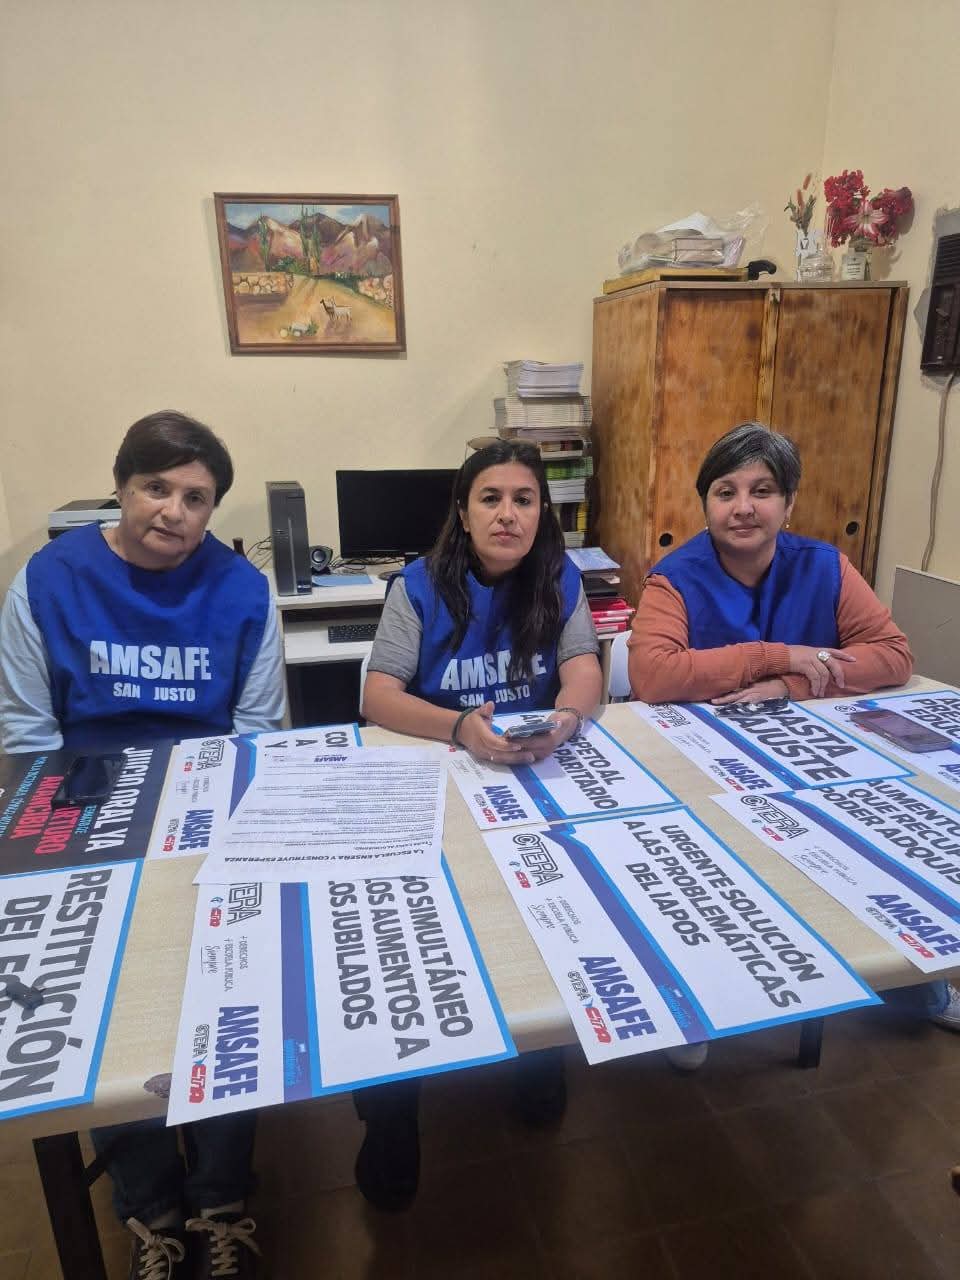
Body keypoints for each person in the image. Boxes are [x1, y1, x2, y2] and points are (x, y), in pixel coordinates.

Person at [0, 411, 284, 1279]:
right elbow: (26, 733)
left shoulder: (242, 590)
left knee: (228, 1002)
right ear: (121, 487)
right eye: (156, 488)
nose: (174, 511)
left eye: (195, 498)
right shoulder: (48, 580)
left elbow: (257, 731)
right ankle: (151, 1208)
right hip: (85, 810)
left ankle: (221, 1196)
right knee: (101, 1023)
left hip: (205, 810)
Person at [627, 422, 957, 1039]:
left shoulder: (826, 566)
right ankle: (695, 998)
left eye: (762, 491)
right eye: (725, 492)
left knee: (883, 837)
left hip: (811, 754)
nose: (743, 507)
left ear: (789, 503)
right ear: (705, 503)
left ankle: (918, 984)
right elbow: (654, 675)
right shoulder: (675, 576)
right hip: (705, 762)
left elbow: (893, 656)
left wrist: (792, 684)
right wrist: (779, 654)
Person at [359, 439, 603, 1206]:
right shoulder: (419, 586)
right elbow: (378, 695)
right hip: (440, 768)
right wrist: (461, 727)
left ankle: (540, 1055)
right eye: (490, 499)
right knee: (404, 942)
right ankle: (391, 1112)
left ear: (543, 512)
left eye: (524, 500)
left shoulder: (558, 577)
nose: (508, 514)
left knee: (554, 910)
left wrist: (567, 719)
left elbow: (584, 669)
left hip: (530, 768)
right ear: (462, 514)